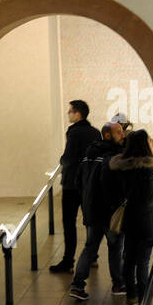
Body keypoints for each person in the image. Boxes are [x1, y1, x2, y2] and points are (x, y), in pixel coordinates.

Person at [69, 122, 127, 300]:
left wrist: (87, 202)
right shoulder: (113, 158)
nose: (123, 135)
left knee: (90, 247)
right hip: (109, 212)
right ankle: (118, 284)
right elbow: (115, 187)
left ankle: (77, 285)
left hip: (91, 211)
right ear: (108, 135)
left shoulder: (88, 156)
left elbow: (79, 182)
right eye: (119, 132)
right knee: (115, 248)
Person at [108, 129, 153, 305]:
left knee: (129, 259)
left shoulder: (120, 167)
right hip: (147, 220)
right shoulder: (149, 168)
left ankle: (131, 297)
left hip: (129, 218)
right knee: (143, 261)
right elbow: (152, 196)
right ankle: (144, 300)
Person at [49, 99, 98, 272]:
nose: (68, 114)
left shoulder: (73, 132)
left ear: (78, 114)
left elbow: (68, 158)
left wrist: (62, 160)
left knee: (69, 222)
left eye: (70, 111)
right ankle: (92, 256)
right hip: (89, 184)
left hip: (72, 184)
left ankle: (68, 260)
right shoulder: (95, 132)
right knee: (90, 221)